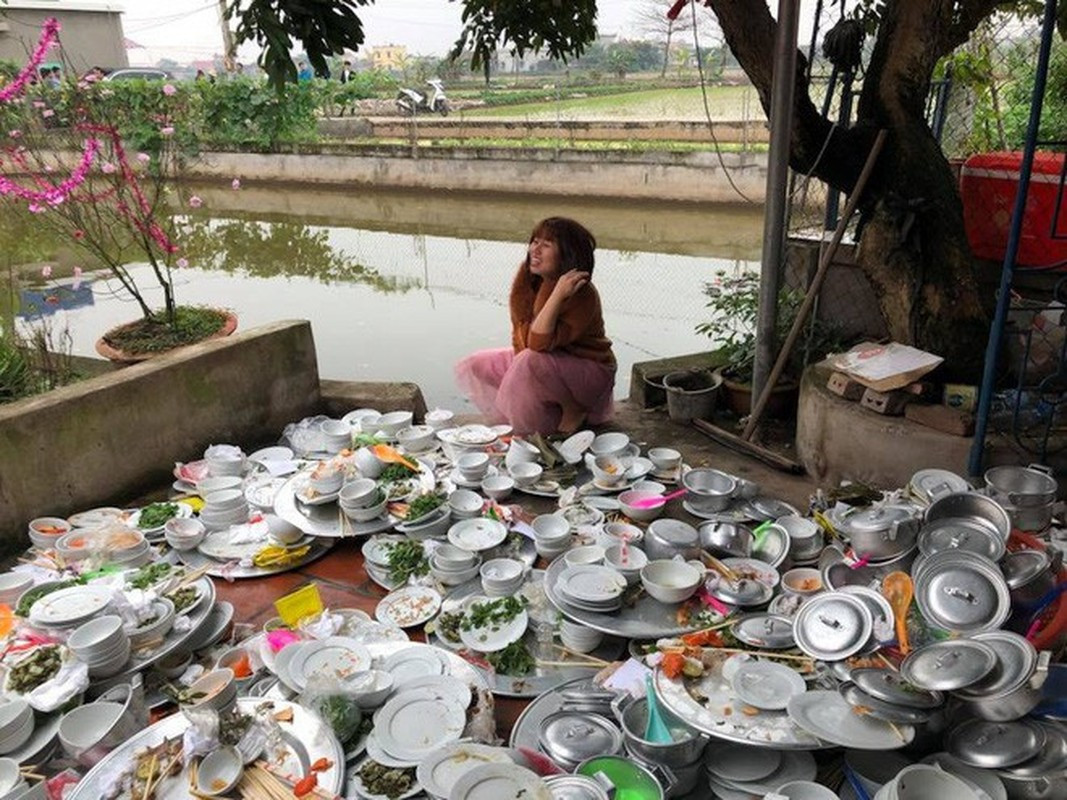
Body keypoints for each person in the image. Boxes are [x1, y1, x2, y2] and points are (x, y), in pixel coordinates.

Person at [455, 217, 616, 435]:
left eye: (546, 245)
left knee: (528, 361)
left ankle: (572, 409)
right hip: (548, 362)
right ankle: (545, 414)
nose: (535, 250)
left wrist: (558, 295)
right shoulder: (530, 280)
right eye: (534, 241)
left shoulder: (581, 292)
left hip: (590, 371)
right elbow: (521, 337)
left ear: (567, 254)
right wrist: (519, 380)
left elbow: (538, 343)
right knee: (478, 363)